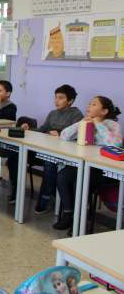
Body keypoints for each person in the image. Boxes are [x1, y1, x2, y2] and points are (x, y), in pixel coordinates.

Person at [53, 96, 122, 230]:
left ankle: (80, 220)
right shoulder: (85, 122)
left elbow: (115, 144)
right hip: (83, 164)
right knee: (62, 176)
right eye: (89, 104)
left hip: (102, 169)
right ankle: (68, 214)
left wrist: (98, 124)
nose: (89, 106)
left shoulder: (113, 125)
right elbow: (64, 136)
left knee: (79, 182)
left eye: (94, 104)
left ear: (104, 111)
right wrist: (81, 123)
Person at [27, 85, 84, 213]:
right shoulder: (53, 113)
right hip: (50, 150)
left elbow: (78, 136)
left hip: (67, 154)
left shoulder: (76, 114)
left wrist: (59, 135)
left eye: (61, 98)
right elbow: (42, 129)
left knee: (49, 163)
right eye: (55, 97)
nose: (56, 101)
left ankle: (45, 198)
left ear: (70, 101)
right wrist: (28, 129)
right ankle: (49, 195)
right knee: (47, 161)